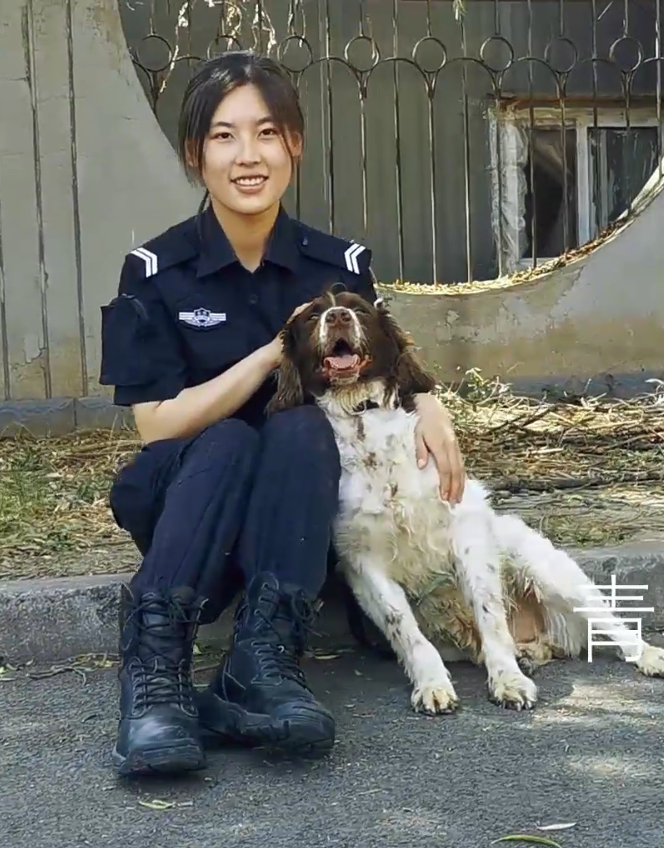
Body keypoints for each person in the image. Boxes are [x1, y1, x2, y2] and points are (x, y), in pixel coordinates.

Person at [99, 51, 468, 777]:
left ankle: (260, 663)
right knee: (232, 436)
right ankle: (155, 676)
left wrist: (431, 401)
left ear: (294, 145)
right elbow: (155, 425)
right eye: (224, 136)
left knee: (299, 428)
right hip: (190, 509)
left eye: (267, 134)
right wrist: (269, 356)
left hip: (298, 519)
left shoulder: (340, 266)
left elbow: (391, 364)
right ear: (194, 153)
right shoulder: (154, 271)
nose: (248, 157)